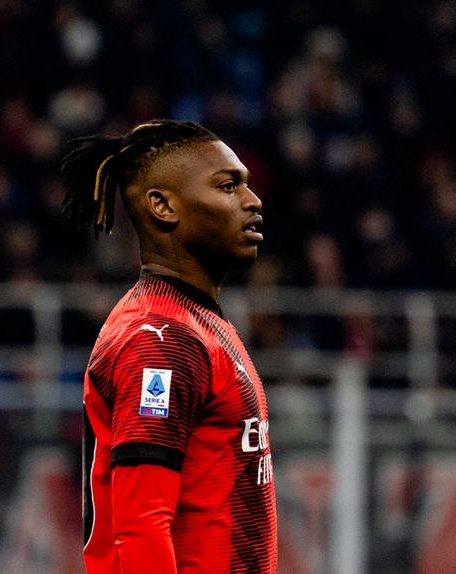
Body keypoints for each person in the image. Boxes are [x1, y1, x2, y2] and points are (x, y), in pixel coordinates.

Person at [61, 119, 277, 573]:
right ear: (162, 206)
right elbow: (141, 527)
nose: (252, 201)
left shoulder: (195, 323)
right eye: (228, 186)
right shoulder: (160, 339)